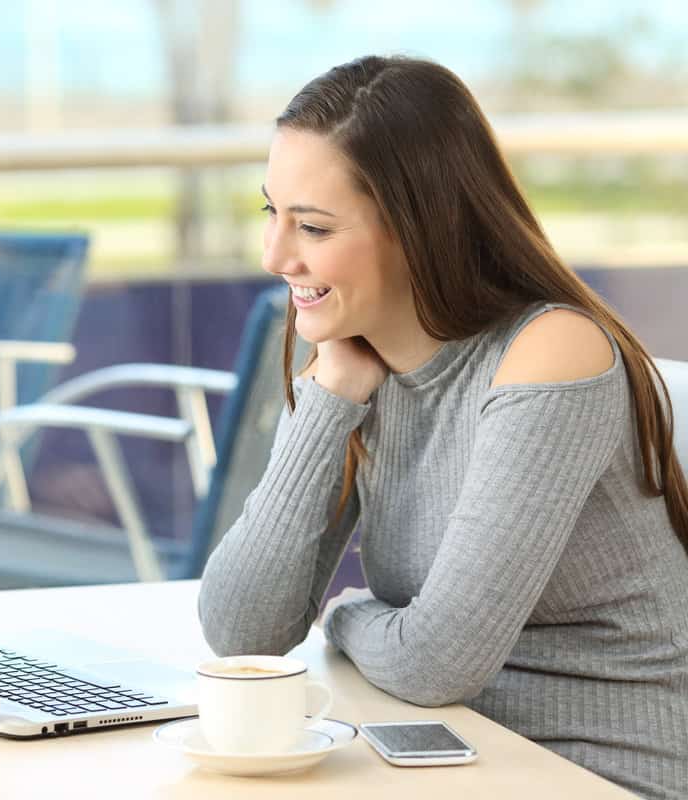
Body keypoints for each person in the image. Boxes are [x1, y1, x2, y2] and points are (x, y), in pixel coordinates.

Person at [197, 55, 688, 800]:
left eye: (314, 226)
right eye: (273, 211)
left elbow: (435, 662)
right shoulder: (359, 360)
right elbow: (242, 633)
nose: (276, 255)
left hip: (604, 769)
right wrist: (330, 400)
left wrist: (347, 615)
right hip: (455, 751)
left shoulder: (549, 353)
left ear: (417, 226)